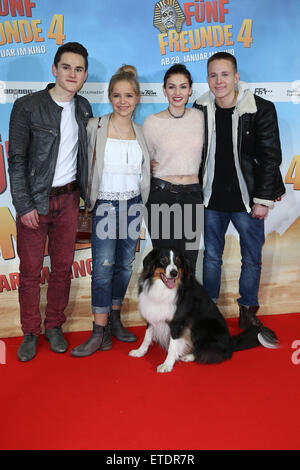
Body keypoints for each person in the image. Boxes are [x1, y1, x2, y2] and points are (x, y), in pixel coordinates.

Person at [8, 42, 93, 362]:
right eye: (67, 67)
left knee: (61, 269)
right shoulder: (27, 106)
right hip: (36, 202)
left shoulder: (84, 107)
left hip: (70, 201)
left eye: (79, 69)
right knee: (29, 270)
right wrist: (24, 204)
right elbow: (16, 160)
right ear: (54, 69)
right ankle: (30, 331)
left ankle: (54, 326)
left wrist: (88, 198)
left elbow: (85, 157)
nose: (73, 73)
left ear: (85, 75)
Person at [193, 52, 285, 329]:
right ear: (207, 78)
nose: (218, 81)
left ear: (236, 77)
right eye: (213, 75)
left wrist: (263, 199)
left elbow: (271, 157)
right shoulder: (199, 108)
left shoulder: (260, 108)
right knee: (211, 257)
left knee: (252, 258)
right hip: (211, 199)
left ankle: (247, 310)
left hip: (248, 200)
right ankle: (208, 310)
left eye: (224, 74)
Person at [70, 65, 150, 357]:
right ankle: (97, 331)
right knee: (102, 269)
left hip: (131, 207)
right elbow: (80, 164)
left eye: (128, 95)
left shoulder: (141, 133)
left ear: (137, 97)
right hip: (104, 206)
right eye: (116, 95)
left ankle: (114, 321)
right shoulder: (95, 126)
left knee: (124, 266)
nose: (122, 101)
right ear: (109, 97)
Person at [142, 64, 204, 273]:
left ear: (190, 90)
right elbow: (143, 160)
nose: (177, 93)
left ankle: (187, 307)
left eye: (182, 87)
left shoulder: (201, 118)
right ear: (164, 90)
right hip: (161, 195)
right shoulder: (151, 122)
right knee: (165, 265)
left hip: (192, 197)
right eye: (172, 87)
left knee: (188, 265)